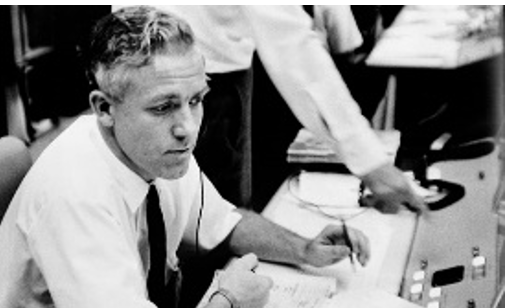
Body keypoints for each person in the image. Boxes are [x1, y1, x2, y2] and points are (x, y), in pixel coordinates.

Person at [0, 7, 371, 308]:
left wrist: (304, 249)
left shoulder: (152, 145)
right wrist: (227, 305)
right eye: (163, 107)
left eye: (195, 100)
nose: (188, 128)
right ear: (103, 108)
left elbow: (225, 224)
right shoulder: (77, 193)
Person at [142, 5, 426, 213]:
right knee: (215, 222)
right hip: (206, 82)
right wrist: (371, 163)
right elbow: (293, 47)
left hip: (141, 68)